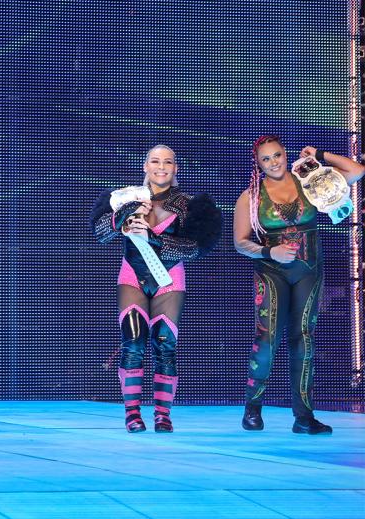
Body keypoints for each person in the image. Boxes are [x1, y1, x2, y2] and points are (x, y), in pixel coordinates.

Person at [233, 136, 364, 434]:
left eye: (277, 155)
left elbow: (357, 171)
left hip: (308, 270)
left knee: (303, 339)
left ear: (285, 154)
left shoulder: (310, 181)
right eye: (266, 159)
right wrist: (271, 252)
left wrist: (320, 154)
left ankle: (304, 418)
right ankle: (252, 408)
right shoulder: (250, 197)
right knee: (267, 339)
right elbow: (240, 242)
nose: (273, 162)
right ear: (258, 163)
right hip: (271, 272)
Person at [90, 145, 221, 433]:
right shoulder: (125, 198)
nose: (161, 167)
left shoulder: (189, 205)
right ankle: (132, 414)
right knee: (134, 341)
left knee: (164, 344)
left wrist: (155, 239)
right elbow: (100, 234)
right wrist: (122, 217)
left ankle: (163, 415)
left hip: (169, 279)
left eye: (168, 162)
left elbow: (195, 248)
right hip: (132, 276)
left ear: (175, 168)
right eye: (155, 161)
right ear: (145, 166)